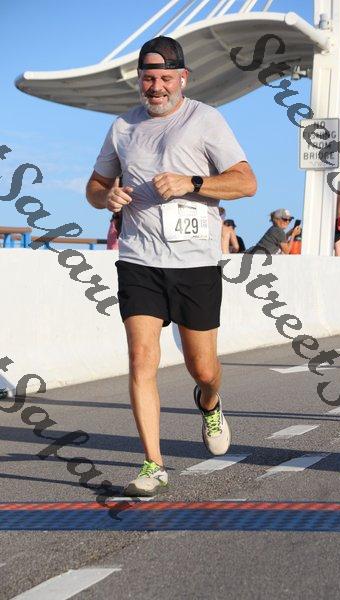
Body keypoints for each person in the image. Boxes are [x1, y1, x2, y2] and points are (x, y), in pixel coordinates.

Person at [86, 36, 257, 496]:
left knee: (203, 368)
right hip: (138, 259)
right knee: (141, 358)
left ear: (183, 77)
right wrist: (108, 196)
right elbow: (95, 187)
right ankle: (153, 464)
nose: (156, 87)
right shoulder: (123, 126)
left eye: (165, 78)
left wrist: (192, 182)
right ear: (139, 80)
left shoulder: (205, 119)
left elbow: (246, 183)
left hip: (194, 262)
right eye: (148, 78)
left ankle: (211, 402)